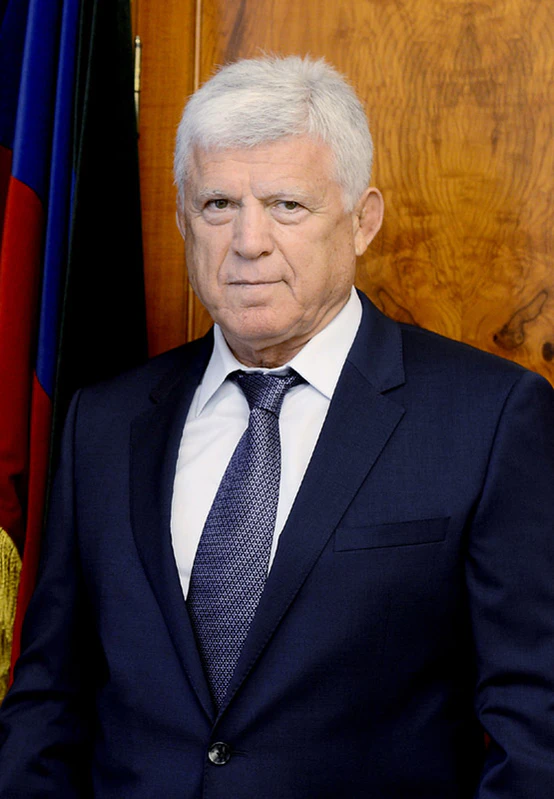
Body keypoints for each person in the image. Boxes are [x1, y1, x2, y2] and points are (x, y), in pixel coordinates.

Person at [1, 54, 554, 799]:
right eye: (217, 204)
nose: (248, 241)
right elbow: (48, 704)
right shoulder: (101, 422)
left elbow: (536, 726)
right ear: (182, 220)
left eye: (287, 205)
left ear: (362, 221)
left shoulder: (489, 417)